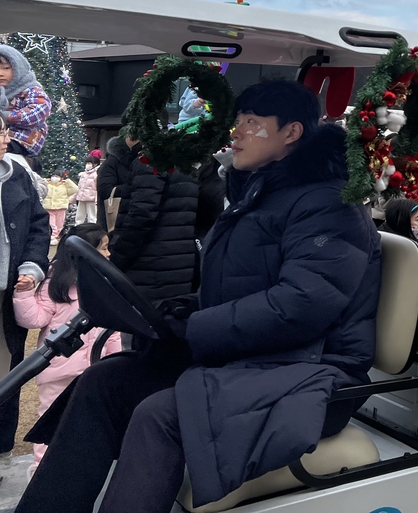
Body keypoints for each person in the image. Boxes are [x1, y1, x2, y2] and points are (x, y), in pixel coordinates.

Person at [15, 80, 383, 513]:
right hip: (253, 360)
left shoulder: (328, 205)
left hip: (311, 371)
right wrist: (177, 313)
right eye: (238, 120)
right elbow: (240, 286)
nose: (237, 131)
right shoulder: (263, 195)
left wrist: (196, 328)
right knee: (104, 382)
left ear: (292, 133)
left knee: (162, 415)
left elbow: (302, 305)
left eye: (251, 122)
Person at [13, 223, 121, 476]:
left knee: (89, 422)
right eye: (103, 248)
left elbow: (112, 329)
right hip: (58, 371)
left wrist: (115, 361)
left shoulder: (104, 281)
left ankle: (83, 471)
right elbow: (34, 319)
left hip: (94, 369)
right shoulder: (55, 284)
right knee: (51, 423)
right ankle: (43, 474)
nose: (108, 254)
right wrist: (25, 294)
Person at [100, 132, 199, 303]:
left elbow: (142, 214)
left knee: (143, 322)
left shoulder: (148, 161)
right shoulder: (183, 161)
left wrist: (117, 257)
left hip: (149, 264)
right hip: (178, 263)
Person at [0, 124, 51, 454]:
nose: (5, 138)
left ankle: (2, 446)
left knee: (7, 371)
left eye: (4, 131)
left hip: (4, 296)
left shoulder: (16, 175)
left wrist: (31, 268)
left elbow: (38, 225)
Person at [0, 44, 52, 171]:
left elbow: (38, 112)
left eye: (6, 68)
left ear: (18, 69)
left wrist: (7, 117)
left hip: (23, 142)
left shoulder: (30, 89)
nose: (1, 73)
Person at [43, 171, 78, 245]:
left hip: (61, 207)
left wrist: (68, 181)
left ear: (61, 178)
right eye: (53, 175)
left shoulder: (65, 185)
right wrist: (45, 181)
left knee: (59, 224)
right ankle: (52, 236)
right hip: (49, 207)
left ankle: (55, 236)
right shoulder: (47, 184)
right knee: (51, 223)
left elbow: (75, 189)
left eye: (57, 176)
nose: (54, 177)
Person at [75, 157, 100, 225]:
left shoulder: (97, 174)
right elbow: (79, 187)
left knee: (92, 217)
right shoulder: (83, 174)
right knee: (79, 216)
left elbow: (98, 188)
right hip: (81, 198)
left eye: (89, 163)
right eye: (87, 163)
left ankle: (93, 230)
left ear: (95, 164)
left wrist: (97, 199)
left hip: (91, 199)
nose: (87, 165)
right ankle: (78, 229)